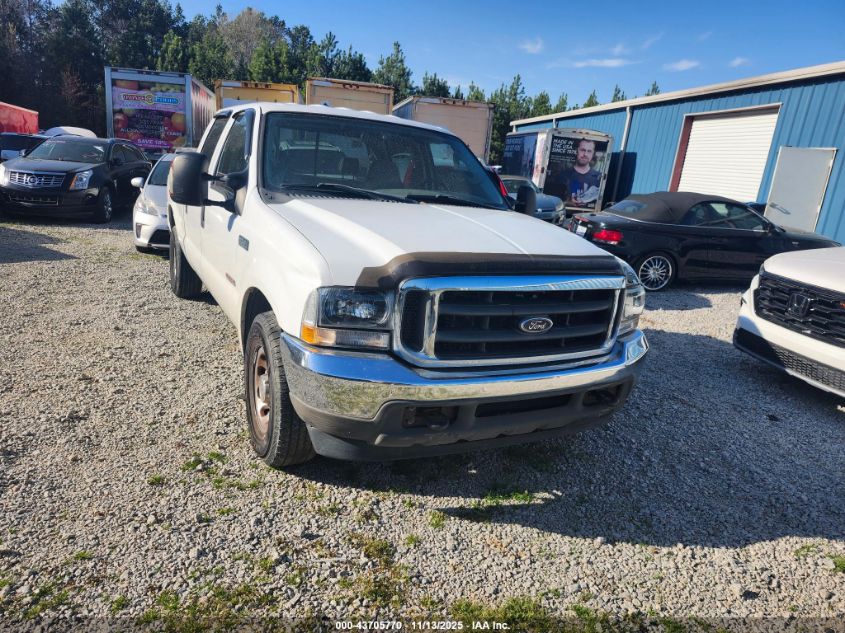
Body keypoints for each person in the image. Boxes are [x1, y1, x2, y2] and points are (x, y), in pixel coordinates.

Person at [545, 138, 601, 207]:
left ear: (593, 154)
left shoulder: (599, 178)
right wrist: (568, 202)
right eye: (582, 150)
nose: (585, 154)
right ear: (577, 151)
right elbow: (554, 200)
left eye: (589, 151)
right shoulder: (562, 175)